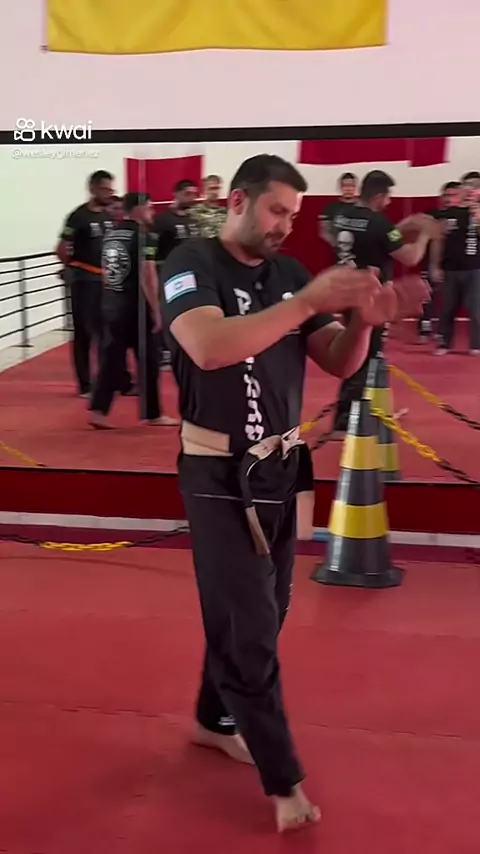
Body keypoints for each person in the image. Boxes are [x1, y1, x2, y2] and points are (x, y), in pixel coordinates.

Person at [159, 154, 429, 833]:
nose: (286, 225)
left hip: (280, 467)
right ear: (239, 202)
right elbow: (209, 346)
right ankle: (284, 784)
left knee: (264, 609)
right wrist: (308, 302)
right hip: (218, 473)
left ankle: (213, 718)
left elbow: (335, 358)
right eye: (277, 210)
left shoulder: (285, 275)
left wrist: (365, 322)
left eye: (294, 214)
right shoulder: (191, 262)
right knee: (250, 626)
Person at [330, 169, 438, 434]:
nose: (388, 202)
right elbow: (410, 257)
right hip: (370, 297)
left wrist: (404, 225)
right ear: (378, 196)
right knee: (365, 355)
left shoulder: (342, 216)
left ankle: (361, 411)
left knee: (355, 351)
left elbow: (374, 238)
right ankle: (346, 420)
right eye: (387, 197)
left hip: (346, 290)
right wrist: (425, 234)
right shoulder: (379, 223)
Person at [89, 193, 178, 429]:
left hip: (113, 303)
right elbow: (147, 274)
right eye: (149, 208)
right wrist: (157, 309)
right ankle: (152, 413)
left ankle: (98, 411)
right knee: (148, 361)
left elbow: (107, 272)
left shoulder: (111, 234)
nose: (152, 212)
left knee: (111, 360)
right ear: (137, 209)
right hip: (136, 308)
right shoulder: (143, 236)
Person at [56, 170, 115, 397]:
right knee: (84, 332)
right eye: (104, 189)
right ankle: (86, 384)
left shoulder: (108, 216)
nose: (109, 193)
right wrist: (72, 267)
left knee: (106, 331)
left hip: (104, 281)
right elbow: (61, 249)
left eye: (110, 189)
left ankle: (106, 379)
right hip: (84, 282)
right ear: (92, 189)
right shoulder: (78, 216)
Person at [432, 171, 480, 355]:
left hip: (475, 268)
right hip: (450, 268)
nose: (471, 190)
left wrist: (477, 218)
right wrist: (435, 265)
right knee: (447, 308)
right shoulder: (449, 213)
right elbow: (438, 240)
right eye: (467, 185)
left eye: (476, 186)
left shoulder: (477, 213)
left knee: (476, 308)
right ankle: (444, 343)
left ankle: (476, 344)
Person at [154, 179, 200, 367]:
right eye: (188, 194)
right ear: (177, 194)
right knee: (167, 313)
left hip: (190, 275)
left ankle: (184, 347)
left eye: (194, 194)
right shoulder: (162, 220)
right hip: (168, 274)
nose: (192, 198)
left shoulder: (192, 221)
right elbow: (152, 250)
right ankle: (164, 351)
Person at [417, 181, 461, 341]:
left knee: (450, 299)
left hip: (455, 264)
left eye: (453, 195)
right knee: (427, 296)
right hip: (431, 260)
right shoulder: (432, 215)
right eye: (446, 195)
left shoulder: (465, 216)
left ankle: (444, 332)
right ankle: (425, 328)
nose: (449, 199)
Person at [318, 171, 358, 247]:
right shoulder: (330, 208)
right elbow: (323, 232)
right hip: (338, 250)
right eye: (345, 186)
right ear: (340, 187)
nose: (348, 189)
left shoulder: (363, 207)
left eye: (351, 186)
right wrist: (339, 245)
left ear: (355, 187)